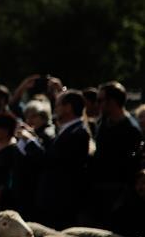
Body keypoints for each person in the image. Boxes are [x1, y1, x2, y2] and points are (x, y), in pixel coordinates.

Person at [90, 82, 143, 227]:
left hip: (117, 193)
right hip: (99, 189)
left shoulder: (131, 130)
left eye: (100, 100)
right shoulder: (103, 122)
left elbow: (131, 165)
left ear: (112, 102)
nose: (97, 104)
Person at [37, 90, 91, 229]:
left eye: (58, 104)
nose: (55, 108)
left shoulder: (78, 132)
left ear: (68, 107)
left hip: (62, 200)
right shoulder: (67, 129)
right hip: (53, 198)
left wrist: (33, 144)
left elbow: (61, 162)